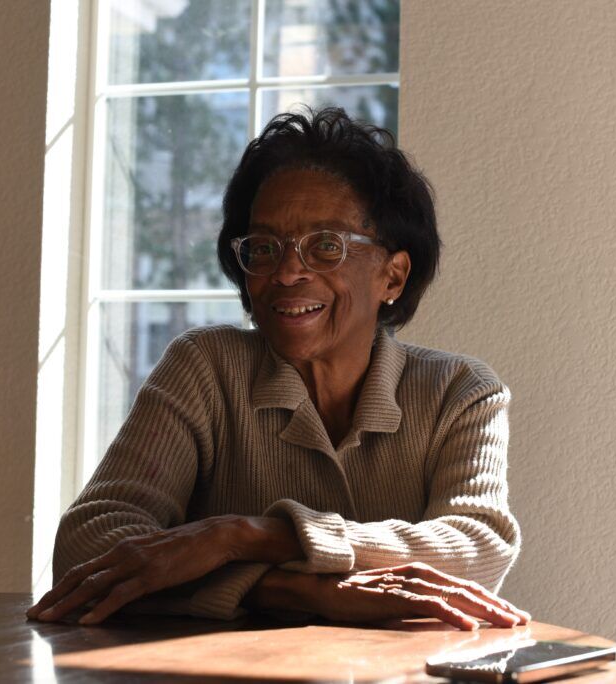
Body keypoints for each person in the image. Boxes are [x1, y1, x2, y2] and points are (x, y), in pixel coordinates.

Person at [27, 107, 528, 631]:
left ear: (393, 277)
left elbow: (477, 547)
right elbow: (90, 541)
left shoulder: (461, 391)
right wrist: (289, 589)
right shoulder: (204, 368)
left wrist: (241, 537)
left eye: (325, 246)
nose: (287, 271)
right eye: (264, 248)